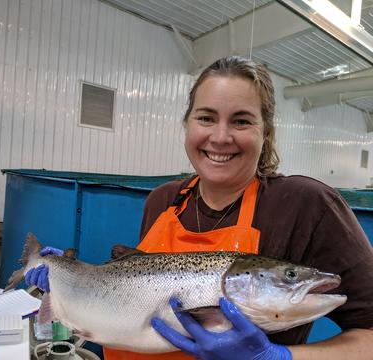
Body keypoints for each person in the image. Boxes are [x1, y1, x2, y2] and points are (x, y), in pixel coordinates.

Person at [25, 56, 373, 359]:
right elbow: (133, 288)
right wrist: (65, 278)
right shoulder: (163, 199)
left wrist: (276, 357)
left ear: (265, 132)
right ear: (187, 124)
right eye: (206, 118)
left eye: (241, 121)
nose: (220, 137)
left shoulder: (307, 204)